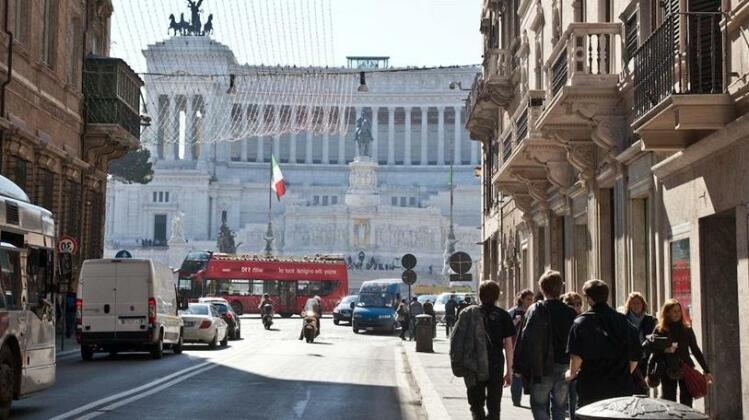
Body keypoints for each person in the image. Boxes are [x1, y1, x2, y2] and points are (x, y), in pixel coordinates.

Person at [565, 280, 641, 408]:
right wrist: (622, 373)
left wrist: (570, 374)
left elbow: (576, 358)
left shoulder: (581, 323)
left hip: (592, 387)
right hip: (620, 387)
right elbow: (634, 357)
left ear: (589, 299)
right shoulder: (623, 321)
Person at [514, 271, 576, 420]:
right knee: (560, 407)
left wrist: (518, 366)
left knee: (539, 405)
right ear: (560, 289)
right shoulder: (570, 312)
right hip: (564, 366)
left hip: (541, 368)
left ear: (542, 288)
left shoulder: (535, 310)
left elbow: (525, 339)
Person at [452, 280, 515, 420]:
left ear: (479, 295)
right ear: (497, 296)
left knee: (476, 406)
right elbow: (509, 345)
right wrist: (509, 371)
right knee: (494, 408)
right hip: (495, 366)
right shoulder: (503, 315)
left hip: (473, 366)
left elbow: (457, 339)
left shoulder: (467, 313)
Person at [646, 299, 712, 407]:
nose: (677, 314)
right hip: (667, 369)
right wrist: (665, 350)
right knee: (669, 400)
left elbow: (695, 350)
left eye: (679, 311)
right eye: (674, 311)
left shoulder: (687, 329)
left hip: (685, 368)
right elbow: (650, 347)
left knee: (686, 401)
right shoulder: (660, 329)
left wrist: (706, 370)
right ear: (667, 313)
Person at [623, 292, 656, 394]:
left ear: (643, 304)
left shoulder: (650, 320)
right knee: (631, 385)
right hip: (629, 357)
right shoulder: (624, 319)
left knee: (642, 386)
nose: (636, 306)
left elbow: (655, 337)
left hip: (645, 357)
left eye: (638, 303)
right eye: (633, 303)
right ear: (629, 305)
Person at [508, 289, 534, 407]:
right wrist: (516, 321)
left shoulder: (534, 311)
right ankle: (516, 399)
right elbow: (507, 329)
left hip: (530, 346)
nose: (530, 301)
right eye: (528, 299)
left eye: (532, 299)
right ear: (522, 299)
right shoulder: (513, 312)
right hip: (515, 346)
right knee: (516, 372)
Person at [560, 292, 583, 419]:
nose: (576, 307)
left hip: (577, 362)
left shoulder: (584, 319)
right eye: (572, 304)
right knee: (560, 399)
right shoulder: (562, 320)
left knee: (574, 395)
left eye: (578, 304)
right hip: (562, 361)